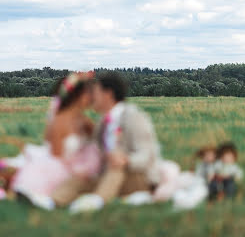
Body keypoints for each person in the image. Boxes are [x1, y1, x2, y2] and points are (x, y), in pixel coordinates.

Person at [52, 72, 162, 213]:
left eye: (96, 92)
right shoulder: (102, 123)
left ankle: (97, 201)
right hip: (111, 179)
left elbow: (147, 155)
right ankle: (52, 201)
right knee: (80, 179)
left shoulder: (134, 117)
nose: (92, 97)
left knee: (116, 164)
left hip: (140, 179)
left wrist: (126, 160)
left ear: (108, 94)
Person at [11, 72, 101, 209]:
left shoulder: (83, 120)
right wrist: (77, 168)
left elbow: (98, 138)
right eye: (88, 93)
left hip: (81, 165)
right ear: (78, 96)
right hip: (62, 167)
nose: (91, 97)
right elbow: (56, 156)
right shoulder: (60, 121)